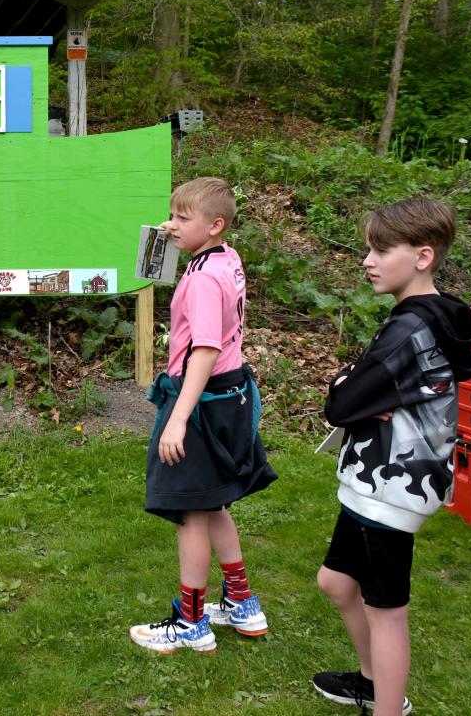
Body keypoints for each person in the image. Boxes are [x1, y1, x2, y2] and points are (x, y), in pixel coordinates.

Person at [313, 197, 471, 716]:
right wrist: (362, 393)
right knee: (337, 582)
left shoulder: (410, 330)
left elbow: (340, 404)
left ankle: (387, 705)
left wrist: (346, 384)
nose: (368, 259)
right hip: (377, 484)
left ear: (423, 256)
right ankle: (371, 680)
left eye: (381, 249)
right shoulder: (432, 317)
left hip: (393, 488)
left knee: (386, 610)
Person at [129, 177, 278, 654]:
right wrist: (171, 233)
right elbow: (177, 261)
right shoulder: (224, 259)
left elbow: (206, 349)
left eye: (181, 219)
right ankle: (242, 603)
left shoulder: (203, 278)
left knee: (191, 510)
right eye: (170, 215)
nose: (171, 225)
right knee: (213, 502)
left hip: (201, 399)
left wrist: (177, 418)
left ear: (214, 226)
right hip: (230, 396)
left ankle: (190, 622)